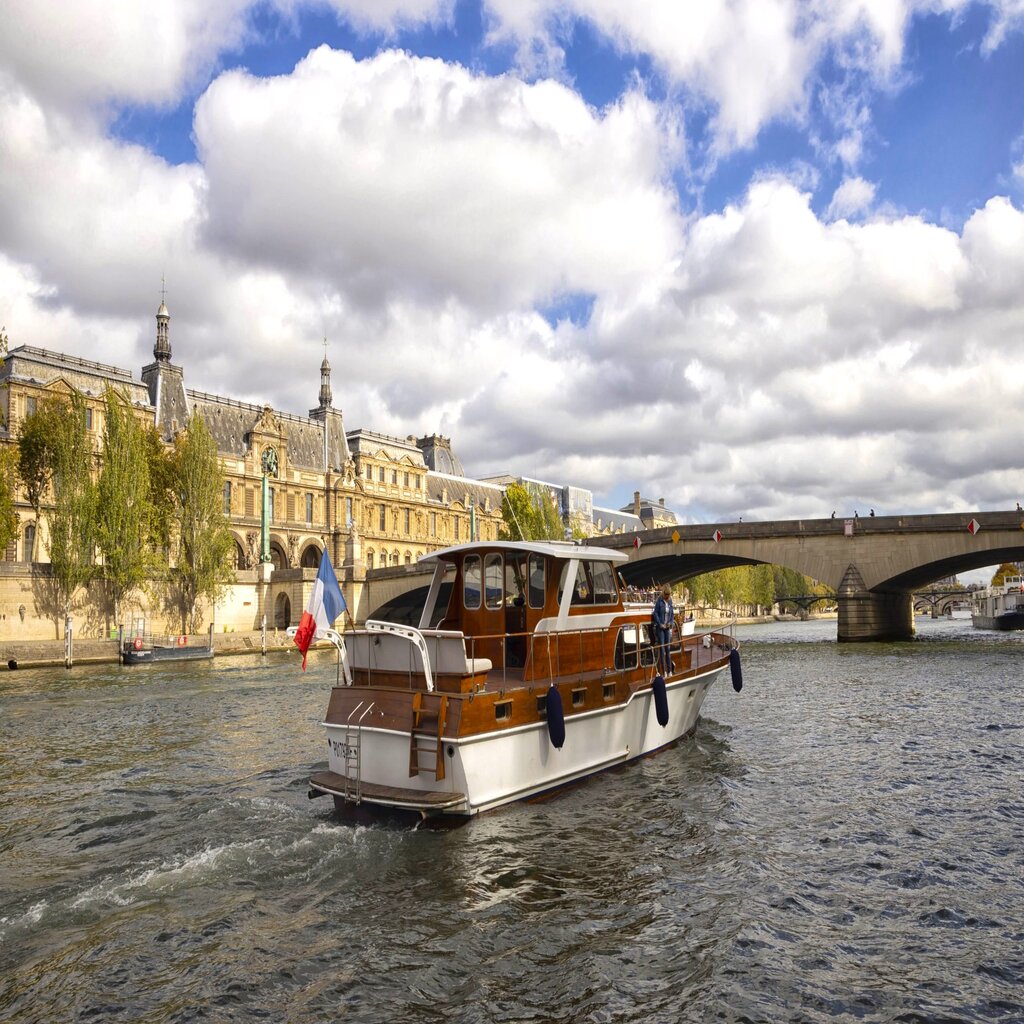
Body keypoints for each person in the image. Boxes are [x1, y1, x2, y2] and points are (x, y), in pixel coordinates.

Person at [651, 584, 674, 675]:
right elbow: (655, 613)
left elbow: (672, 615)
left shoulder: (670, 601)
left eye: (668, 595)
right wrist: (660, 624)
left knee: (668, 648)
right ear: (663, 594)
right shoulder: (659, 601)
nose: (667, 597)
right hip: (660, 628)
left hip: (667, 628)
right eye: (666, 595)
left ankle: (669, 671)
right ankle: (663, 671)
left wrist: (670, 623)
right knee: (662, 649)